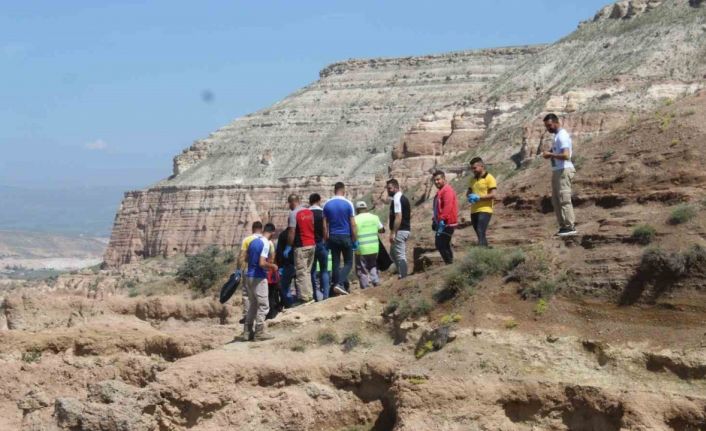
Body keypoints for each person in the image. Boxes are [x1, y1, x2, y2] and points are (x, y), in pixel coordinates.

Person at [543, 113, 578, 237]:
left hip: (564, 170)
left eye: (549, 125)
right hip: (557, 170)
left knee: (564, 198)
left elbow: (566, 155)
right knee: (556, 200)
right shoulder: (557, 136)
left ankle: (570, 226)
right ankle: (563, 226)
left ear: (556, 122)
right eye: (547, 126)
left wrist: (551, 155)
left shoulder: (562, 136)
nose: (548, 128)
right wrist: (551, 153)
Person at [243, 222, 278, 341]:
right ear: (272, 233)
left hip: (249, 276)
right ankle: (259, 332)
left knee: (253, 305)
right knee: (263, 305)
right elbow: (262, 263)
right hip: (259, 276)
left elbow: (246, 258)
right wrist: (272, 266)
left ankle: (247, 332)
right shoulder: (266, 243)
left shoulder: (253, 242)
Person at [323, 182, 358, 295]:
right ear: (344, 191)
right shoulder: (348, 203)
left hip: (332, 236)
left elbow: (325, 225)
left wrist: (326, 239)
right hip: (345, 236)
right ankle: (339, 284)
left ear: (334, 190)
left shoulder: (327, 204)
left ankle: (336, 289)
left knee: (335, 263)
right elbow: (353, 224)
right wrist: (355, 239)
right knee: (348, 263)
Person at [286, 194, 315, 304]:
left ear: (292, 202)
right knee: (307, 272)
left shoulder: (294, 214)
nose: (289, 206)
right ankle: (310, 295)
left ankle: (304, 298)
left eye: (289, 203)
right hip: (312, 244)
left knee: (300, 273)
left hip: (301, 246)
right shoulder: (309, 212)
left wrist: (289, 246)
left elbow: (292, 231)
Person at [466, 157, 497, 247]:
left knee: (480, 230)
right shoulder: (472, 180)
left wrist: (478, 197)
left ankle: (481, 252)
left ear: (482, 166)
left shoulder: (489, 178)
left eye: (475, 168)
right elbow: (468, 193)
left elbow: (493, 194)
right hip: (474, 210)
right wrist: (470, 196)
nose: (473, 170)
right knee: (480, 234)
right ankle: (486, 254)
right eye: (472, 168)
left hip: (485, 209)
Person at [237, 221, 264, 325]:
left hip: (249, 270)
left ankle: (247, 316)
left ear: (253, 229)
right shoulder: (265, 240)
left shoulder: (247, 240)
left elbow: (242, 256)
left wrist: (238, 270)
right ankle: (260, 316)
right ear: (261, 229)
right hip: (262, 270)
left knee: (247, 294)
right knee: (260, 293)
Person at [353, 201, 385, 289]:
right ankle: (376, 281)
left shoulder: (355, 219)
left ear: (357, 210)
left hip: (361, 248)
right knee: (373, 265)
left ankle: (365, 287)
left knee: (361, 269)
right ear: (366, 208)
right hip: (374, 247)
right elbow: (382, 230)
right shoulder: (374, 217)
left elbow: (352, 233)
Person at [385, 179, 411, 279]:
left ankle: (403, 276)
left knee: (400, 255)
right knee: (393, 253)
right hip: (404, 230)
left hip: (400, 231)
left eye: (390, 188)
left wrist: (393, 232)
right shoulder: (402, 198)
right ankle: (401, 273)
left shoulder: (397, 198)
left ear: (396, 188)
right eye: (387, 189)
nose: (388, 191)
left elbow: (398, 216)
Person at [432, 171, 458, 264]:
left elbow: (448, 206)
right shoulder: (440, 191)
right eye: (434, 180)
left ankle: (449, 263)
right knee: (443, 244)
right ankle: (449, 263)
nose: (436, 182)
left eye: (438, 179)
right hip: (442, 222)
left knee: (441, 243)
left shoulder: (447, 190)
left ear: (444, 179)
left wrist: (442, 220)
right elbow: (437, 207)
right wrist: (434, 220)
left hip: (447, 222)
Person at [308, 193, 330, 301]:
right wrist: (325, 240)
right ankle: (326, 296)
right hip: (322, 243)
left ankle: (315, 296)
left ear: (310, 201)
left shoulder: (306, 213)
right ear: (319, 200)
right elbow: (326, 228)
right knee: (324, 270)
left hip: (310, 244)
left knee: (311, 271)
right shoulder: (323, 213)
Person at [275, 228, 296, 307]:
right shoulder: (299, 233)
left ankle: (287, 303)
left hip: (285, 265)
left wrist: (279, 263)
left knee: (284, 286)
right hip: (296, 263)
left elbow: (279, 251)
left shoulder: (283, 234)